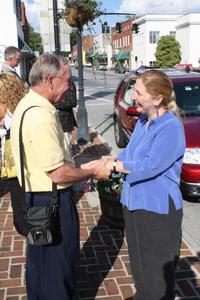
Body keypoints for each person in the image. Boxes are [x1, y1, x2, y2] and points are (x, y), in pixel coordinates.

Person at [10, 53, 110, 300]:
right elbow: (58, 172)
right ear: (50, 80)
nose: (69, 88)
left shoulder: (26, 103)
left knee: (40, 269)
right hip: (52, 203)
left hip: (35, 198)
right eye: (66, 81)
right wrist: (93, 171)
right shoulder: (41, 116)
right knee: (58, 270)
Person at [82, 70, 186, 300]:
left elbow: (150, 166)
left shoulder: (170, 128)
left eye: (138, 93)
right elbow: (129, 153)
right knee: (140, 266)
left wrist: (114, 167)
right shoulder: (142, 121)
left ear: (158, 99)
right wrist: (106, 161)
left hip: (157, 210)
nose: (133, 97)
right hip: (135, 204)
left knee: (156, 275)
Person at [0, 72, 28, 231]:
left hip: (16, 164)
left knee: (19, 195)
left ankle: (25, 225)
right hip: (18, 163)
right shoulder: (21, 106)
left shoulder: (11, 111)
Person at [55, 76, 77, 146]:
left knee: (66, 147)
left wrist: (54, 105)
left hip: (65, 122)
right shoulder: (52, 83)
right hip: (53, 122)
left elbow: (72, 102)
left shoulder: (69, 84)